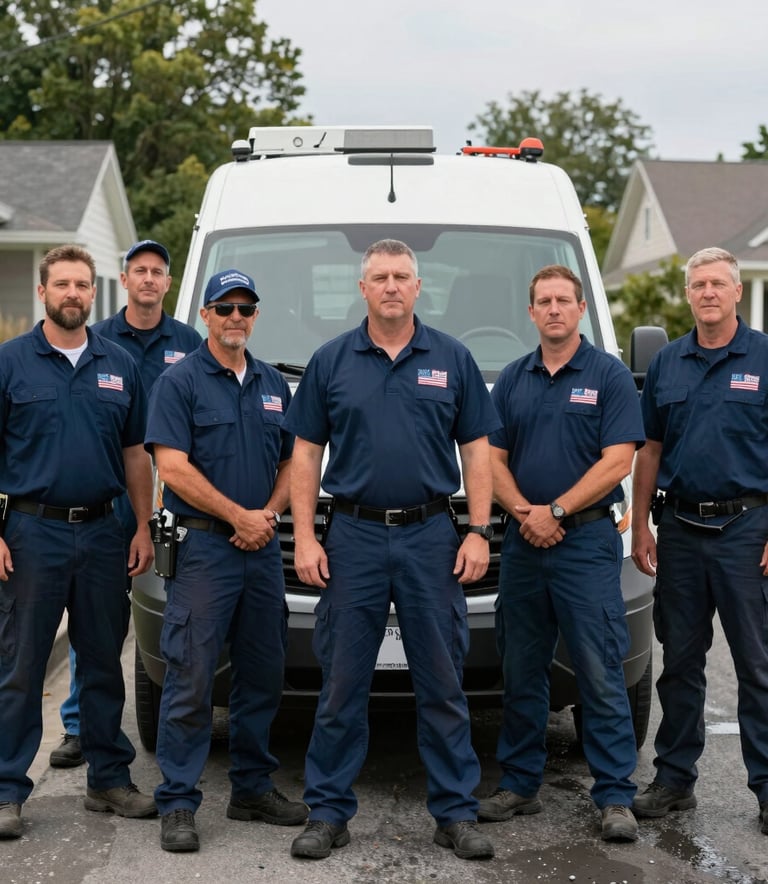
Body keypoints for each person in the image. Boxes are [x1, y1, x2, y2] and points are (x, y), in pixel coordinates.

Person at [285, 239, 499, 862]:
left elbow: (477, 451)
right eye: (379, 277)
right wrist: (304, 536)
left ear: (418, 284)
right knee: (342, 682)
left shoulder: (452, 359)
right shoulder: (330, 361)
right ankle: (327, 812)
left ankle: (455, 813)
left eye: (401, 276)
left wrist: (479, 531)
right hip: (351, 535)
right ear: (362, 289)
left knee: (441, 680)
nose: (391, 287)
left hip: (432, 534)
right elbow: (305, 454)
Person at [478, 264, 645, 842]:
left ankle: (616, 796)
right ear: (530, 313)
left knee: (599, 668)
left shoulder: (609, 375)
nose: (553, 309)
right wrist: (526, 511)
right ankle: (519, 783)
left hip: (586, 543)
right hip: (524, 543)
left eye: (563, 301)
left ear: (580, 309)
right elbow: (491, 461)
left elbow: (618, 459)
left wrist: (556, 511)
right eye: (543, 301)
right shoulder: (514, 380)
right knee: (521, 668)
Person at [144, 268, 306, 852]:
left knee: (263, 673)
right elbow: (174, 466)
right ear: (206, 316)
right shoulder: (181, 381)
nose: (236, 317)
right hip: (205, 548)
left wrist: (264, 514)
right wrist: (239, 516)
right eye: (225, 307)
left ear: (255, 316)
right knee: (189, 677)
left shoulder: (271, 383)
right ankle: (180, 803)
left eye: (245, 308)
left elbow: (292, 461)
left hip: (261, 551)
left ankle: (251, 789)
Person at [0, 244, 157, 840]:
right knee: (20, 666)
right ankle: (7, 789)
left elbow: (135, 454)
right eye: (62, 284)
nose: (73, 293)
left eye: (82, 285)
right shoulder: (11, 362)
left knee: (102, 662)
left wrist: (141, 525)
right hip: (31, 533)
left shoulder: (119, 364)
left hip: (102, 532)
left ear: (96, 294)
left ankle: (108, 779)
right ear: (42, 292)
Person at [50, 239, 202, 770]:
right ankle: (77, 726)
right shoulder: (98, 340)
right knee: (94, 619)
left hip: (174, 496)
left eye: (158, 271)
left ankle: (168, 715)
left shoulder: (188, 341)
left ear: (167, 282)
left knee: (166, 607)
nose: (149, 279)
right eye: (140, 270)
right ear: (124, 279)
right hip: (108, 496)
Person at [631, 247, 768, 835]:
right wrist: (640, 523)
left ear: (737, 292)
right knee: (679, 662)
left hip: (748, 530)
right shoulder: (667, 363)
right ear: (687, 295)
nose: (708, 292)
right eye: (698, 285)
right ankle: (674, 779)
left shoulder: (764, 357)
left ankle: (766, 789)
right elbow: (650, 450)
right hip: (681, 530)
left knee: (757, 666)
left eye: (718, 283)